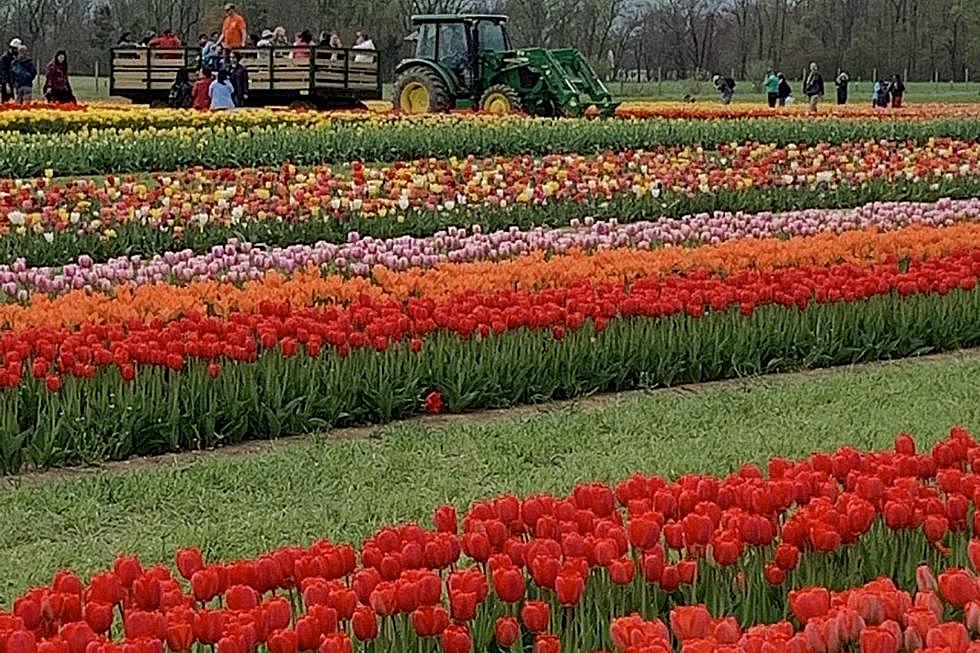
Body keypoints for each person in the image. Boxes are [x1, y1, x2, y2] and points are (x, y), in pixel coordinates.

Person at [0, 39, 21, 103]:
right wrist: (6, 84)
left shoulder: (17, 57)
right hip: (8, 83)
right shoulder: (5, 58)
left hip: (16, 83)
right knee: (7, 102)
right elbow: (3, 72)